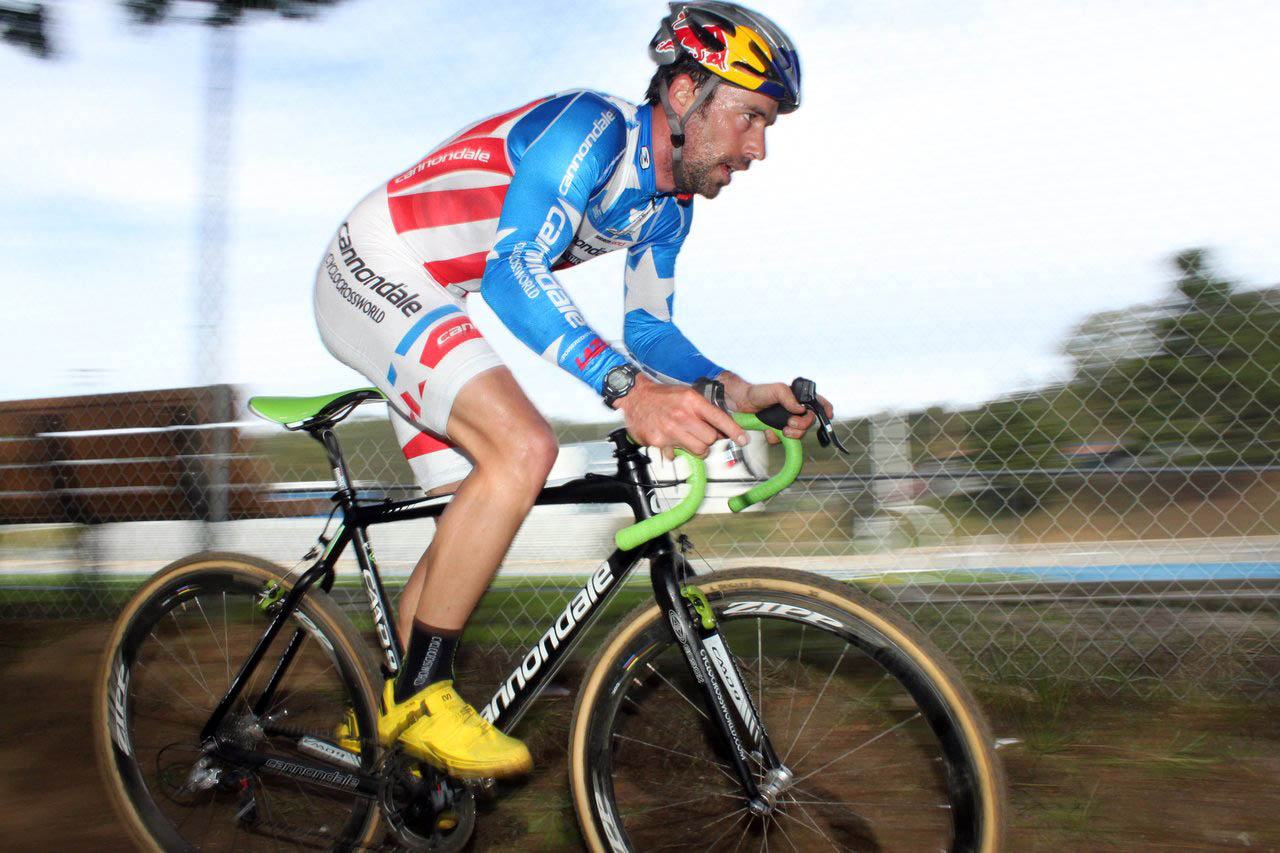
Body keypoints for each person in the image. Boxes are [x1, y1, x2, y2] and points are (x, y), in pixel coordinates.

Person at [316, 1, 827, 779]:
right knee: (524, 448)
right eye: (751, 117)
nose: (758, 149)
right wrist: (626, 390)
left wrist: (739, 389)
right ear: (687, 92)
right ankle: (421, 700)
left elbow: (650, 332)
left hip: (437, 297)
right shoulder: (594, 130)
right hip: (378, 265)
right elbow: (514, 271)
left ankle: (383, 719)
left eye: (769, 128)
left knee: (474, 509)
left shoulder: (669, 207)